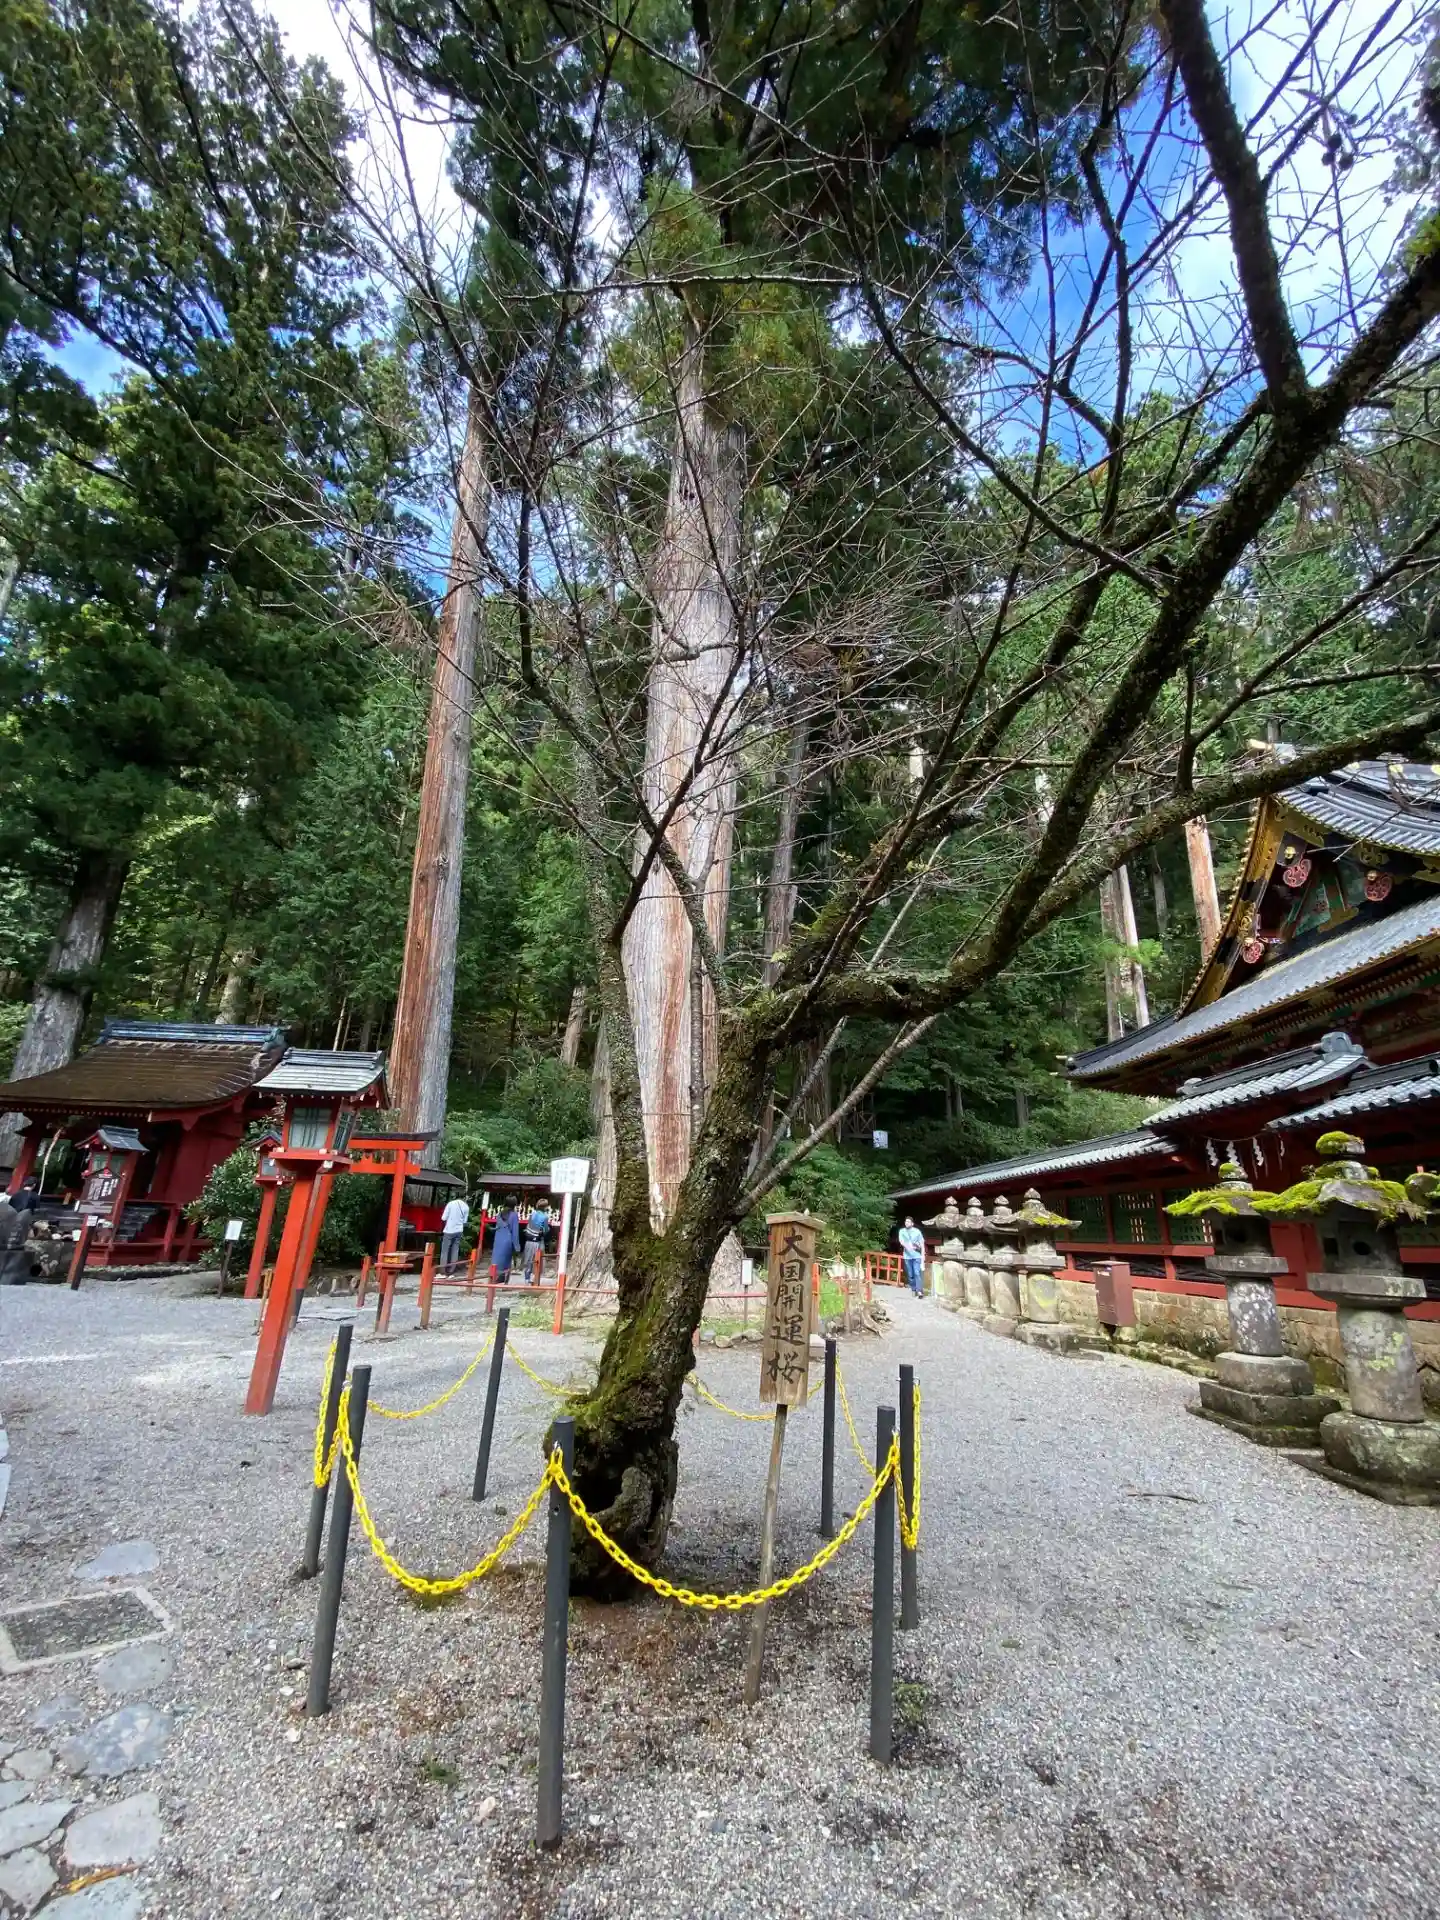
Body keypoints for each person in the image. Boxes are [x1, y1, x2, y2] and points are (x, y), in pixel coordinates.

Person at [489, 1198, 522, 1283]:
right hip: (508, 1240)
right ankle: (505, 1282)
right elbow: (515, 1232)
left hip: (498, 1239)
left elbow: (497, 1227)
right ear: (514, 1205)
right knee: (507, 1263)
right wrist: (517, 1247)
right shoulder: (514, 1215)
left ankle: (493, 1279)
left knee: (496, 1260)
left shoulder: (500, 1214)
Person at [439, 1190, 470, 1272]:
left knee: (445, 1250)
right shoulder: (466, 1207)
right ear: (465, 1197)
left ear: (456, 1195)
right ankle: (451, 1271)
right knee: (455, 1250)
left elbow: (443, 1218)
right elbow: (465, 1221)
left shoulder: (450, 1204)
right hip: (459, 1230)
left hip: (449, 1230)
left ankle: (443, 1271)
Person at [523, 1200, 551, 1284]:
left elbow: (529, 1226)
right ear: (545, 1207)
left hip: (529, 1239)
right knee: (539, 1259)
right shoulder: (545, 1217)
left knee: (529, 1259)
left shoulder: (532, 1214)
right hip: (538, 1240)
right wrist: (548, 1229)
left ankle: (527, 1278)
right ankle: (536, 1279)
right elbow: (545, 1230)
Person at [898, 1216, 926, 1296]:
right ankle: (913, 1289)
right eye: (906, 1221)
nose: (906, 1223)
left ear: (912, 1224)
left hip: (917, 1255)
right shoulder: (902, 1231)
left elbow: (922, 1244)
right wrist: (909, 1247)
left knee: (917, 1273)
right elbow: (901, 1241)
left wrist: (923, 1255)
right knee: (910, 1274)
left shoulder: (917, 1231)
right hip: (907, 1256)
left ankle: (919, 1291)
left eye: (908, 1222)